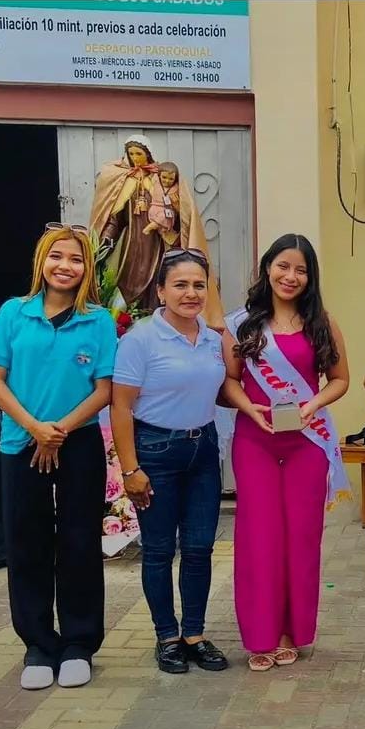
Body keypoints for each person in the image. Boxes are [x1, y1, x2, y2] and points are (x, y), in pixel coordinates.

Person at [0, 223, 117, 690]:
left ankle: (79, 643)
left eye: (76, 259)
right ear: (42, 261)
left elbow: (103, 390)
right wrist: (36, 428)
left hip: (77, 443)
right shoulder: (13, 313)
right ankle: (38, 644)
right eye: (57, 256)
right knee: (27, 541)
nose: (65, 266)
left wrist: (58, 431)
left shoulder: (99, 321)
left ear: (87, 269)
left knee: (79, 540)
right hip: (21, 442)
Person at [223, 234, 350, 672]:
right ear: (267, 268)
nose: (290, 276)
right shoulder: (242, 324)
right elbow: (230, 381)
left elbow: (340, 379)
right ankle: (259, 636)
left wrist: (313, 404)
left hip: (307, 443)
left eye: (301, 270)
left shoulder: (322, 323)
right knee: (259, 538)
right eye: (283, 266)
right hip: (255, 440)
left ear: (310, 277)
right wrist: (249, 408)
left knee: (301, 537)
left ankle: (290, 633)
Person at [110, 248, 229, 675]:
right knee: (160, 550)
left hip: (204, 450)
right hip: (156, 451)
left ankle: (194, 634)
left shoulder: (213, 339)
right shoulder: (140, 339)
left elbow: (221, 391)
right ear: (161, 290)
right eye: (180, 284)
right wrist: (130, 469)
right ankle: (167, 636)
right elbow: (121, 407)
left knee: (199, 548)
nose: (191, 293)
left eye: (199, 285)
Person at [90, 134, 223, 327]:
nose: (135, 158)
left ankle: (156, 318)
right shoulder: (123, 180)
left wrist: (174, 213)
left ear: (148, 154)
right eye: (131, 153)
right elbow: (114, 217)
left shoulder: (160, 178)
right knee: (126, 281)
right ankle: (126, 320)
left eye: (139, 153)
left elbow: (181, 213)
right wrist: (104, 240)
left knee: (157, 279)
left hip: (157, 243)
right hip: (131, 244)